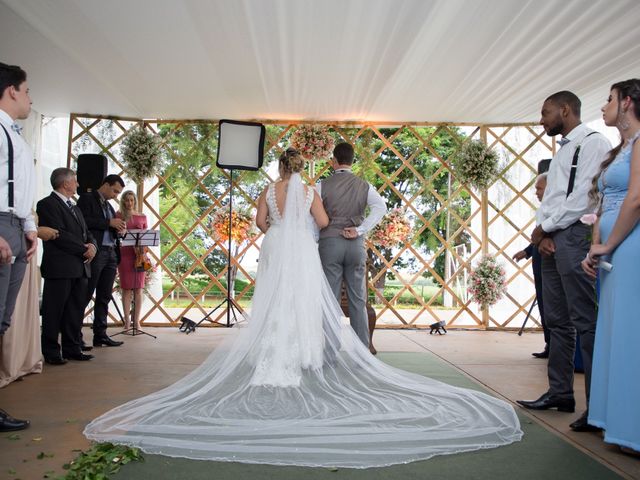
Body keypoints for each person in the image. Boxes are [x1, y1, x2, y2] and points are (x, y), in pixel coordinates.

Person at [84, 148, 522, 468]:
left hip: (276, 245)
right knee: (302, 300)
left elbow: (258, 224)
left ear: (278, 169)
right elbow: (324, 223)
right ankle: (305, 354)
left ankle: (272, 354)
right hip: (300, 247)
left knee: (273, 300)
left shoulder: (267, 190)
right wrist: (310, 218)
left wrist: (277, 220)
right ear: (302, 168)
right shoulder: (311, 187)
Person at [516, 91, 611, 433]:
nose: (542, 119)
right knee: (556, 320)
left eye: (546, 112)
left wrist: (544, 229)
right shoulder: (564, 150)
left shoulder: (593, 143)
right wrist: (542, 236)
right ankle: (560, 392)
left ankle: (597, 406)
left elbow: (585, 197)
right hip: (554, 239)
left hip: (573, 237)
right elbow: (553, 198)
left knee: (584, 320)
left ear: (565, 110)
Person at [582, 79, 640, 454]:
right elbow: (606, 203)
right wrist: (595, 248)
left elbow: (635, 199)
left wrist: (608, 243)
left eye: (609, 99)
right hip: (613, 247)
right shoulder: (623, 148)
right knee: (616, 329)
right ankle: (618, 421)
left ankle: (632, 428)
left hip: (631, 244)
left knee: (630, 333)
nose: (604, 106)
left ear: (628, 102)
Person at [317, 142, 386, 347]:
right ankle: (362, 353)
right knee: (358, 300)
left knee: (331, 300)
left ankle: (330, 353)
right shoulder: (364, 185)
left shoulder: (321, 185)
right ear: (352, 161)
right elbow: (380, 207)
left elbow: (315, 217)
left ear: (334, 161)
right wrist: (360, 229)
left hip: (330, 244)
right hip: (355, 245)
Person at [0, 62, 37, 432]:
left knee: (2, 319)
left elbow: (19, 186)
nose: (29, 98)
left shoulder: (16, 134)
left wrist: (27, 226)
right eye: (27, 91)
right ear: (11, 90)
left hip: (15, 226)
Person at [37, 168, 97, 364]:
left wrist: (93, 246)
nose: (78, 185)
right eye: (75, 181)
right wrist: (83, 249)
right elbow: (58, 234)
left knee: (75, 309)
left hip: (80, 267)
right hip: (60, 266)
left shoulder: (76, 207)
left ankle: (72, 348)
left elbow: (87, 232)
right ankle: (51, 351)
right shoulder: (47, 205)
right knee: (54, 310)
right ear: (65, 183)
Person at [77, 174, 126, 347]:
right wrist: (108, 223)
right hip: (97, 252)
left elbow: (110, 225)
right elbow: (83, 222)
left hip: (111, 253)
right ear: (105, 184)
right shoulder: (87, 199)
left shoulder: (110, 206)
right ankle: (75, 335)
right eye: (114, 191)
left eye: (118, 193)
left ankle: (101, 334)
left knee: (104, 296)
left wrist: (119, 229)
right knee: (86, 293)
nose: (115, 195)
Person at [512, 173, 549, 358]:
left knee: (552, 304)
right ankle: (549, 344)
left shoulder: (556, 209)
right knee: (543, 302)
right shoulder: (541, 210)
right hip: (539, 261)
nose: (536, 193)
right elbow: (538, 238)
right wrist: (527, 252)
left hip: (550, 261)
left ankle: (556, 347)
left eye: (539, 188)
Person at [116, 190, 148, 331]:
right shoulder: (118, 216)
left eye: (131, 200)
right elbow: (114, 235)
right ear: (123, 201)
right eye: (126, 200)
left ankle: (137, 321)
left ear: (135, 201)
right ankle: (127, 321)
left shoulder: (142, 217)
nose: (129, 203)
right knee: (126, 289)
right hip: (125, 254)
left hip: (140, 255)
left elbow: (147, 237)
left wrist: (142, 249)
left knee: (139, 289)